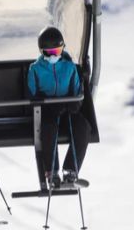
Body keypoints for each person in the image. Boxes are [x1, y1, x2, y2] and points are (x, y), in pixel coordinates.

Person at [27, 26, 91, 189]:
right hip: (47, 110)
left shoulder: (69, 67)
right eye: (49, 53)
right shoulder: (35, 69)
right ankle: (52, 172)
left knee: (83, 126)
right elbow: (32, 94)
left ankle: (71, 170)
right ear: (42, 52)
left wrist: (72, 103)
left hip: (66, 108)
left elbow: (77, 91)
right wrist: (43, 102)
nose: (54, 56)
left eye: (58, 51)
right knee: (49, 128)